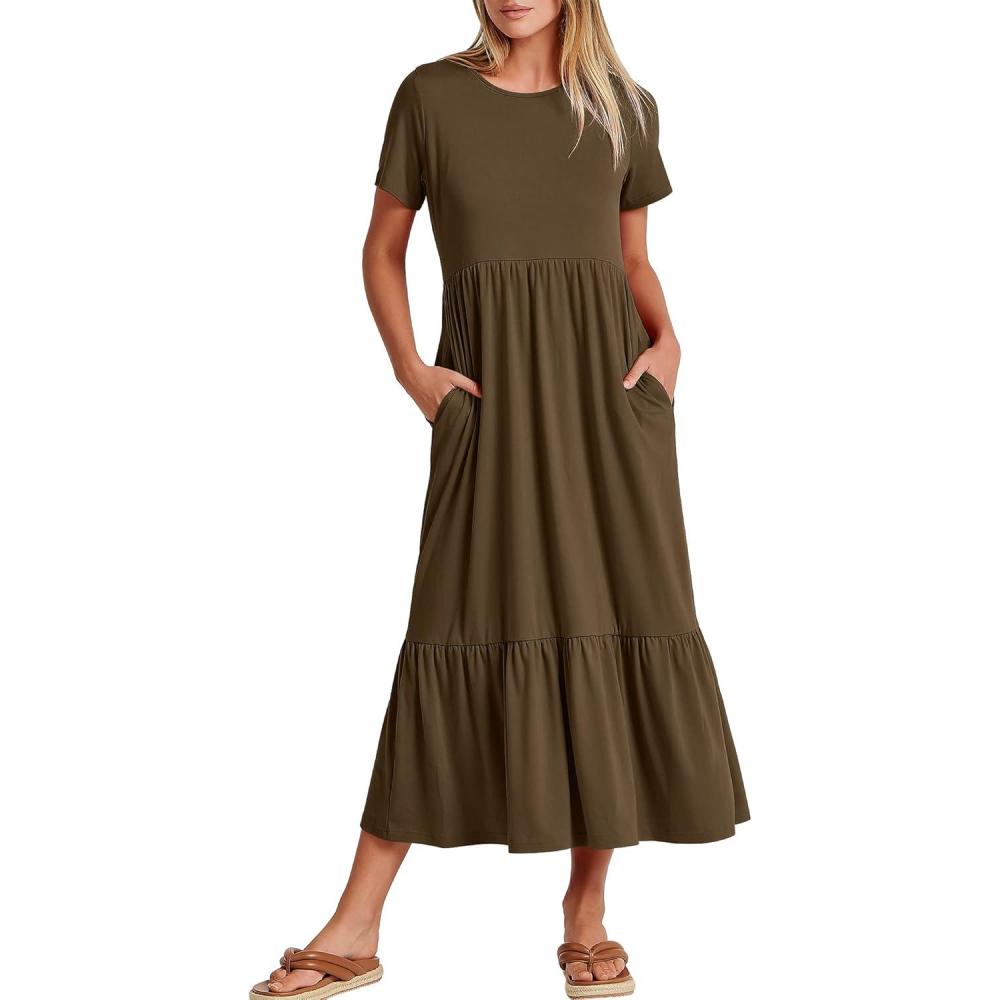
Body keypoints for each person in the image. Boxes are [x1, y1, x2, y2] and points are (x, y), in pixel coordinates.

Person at [250, 2, 748, 997]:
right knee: (452, 624)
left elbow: (631, 259)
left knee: (613, 620)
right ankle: (358, 921)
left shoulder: (624, 108)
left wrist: (669, 345)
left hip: (609, 408)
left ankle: (586, 913)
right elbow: (381, 247)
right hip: (489, 404)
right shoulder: (431, 98)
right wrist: (413, 372)